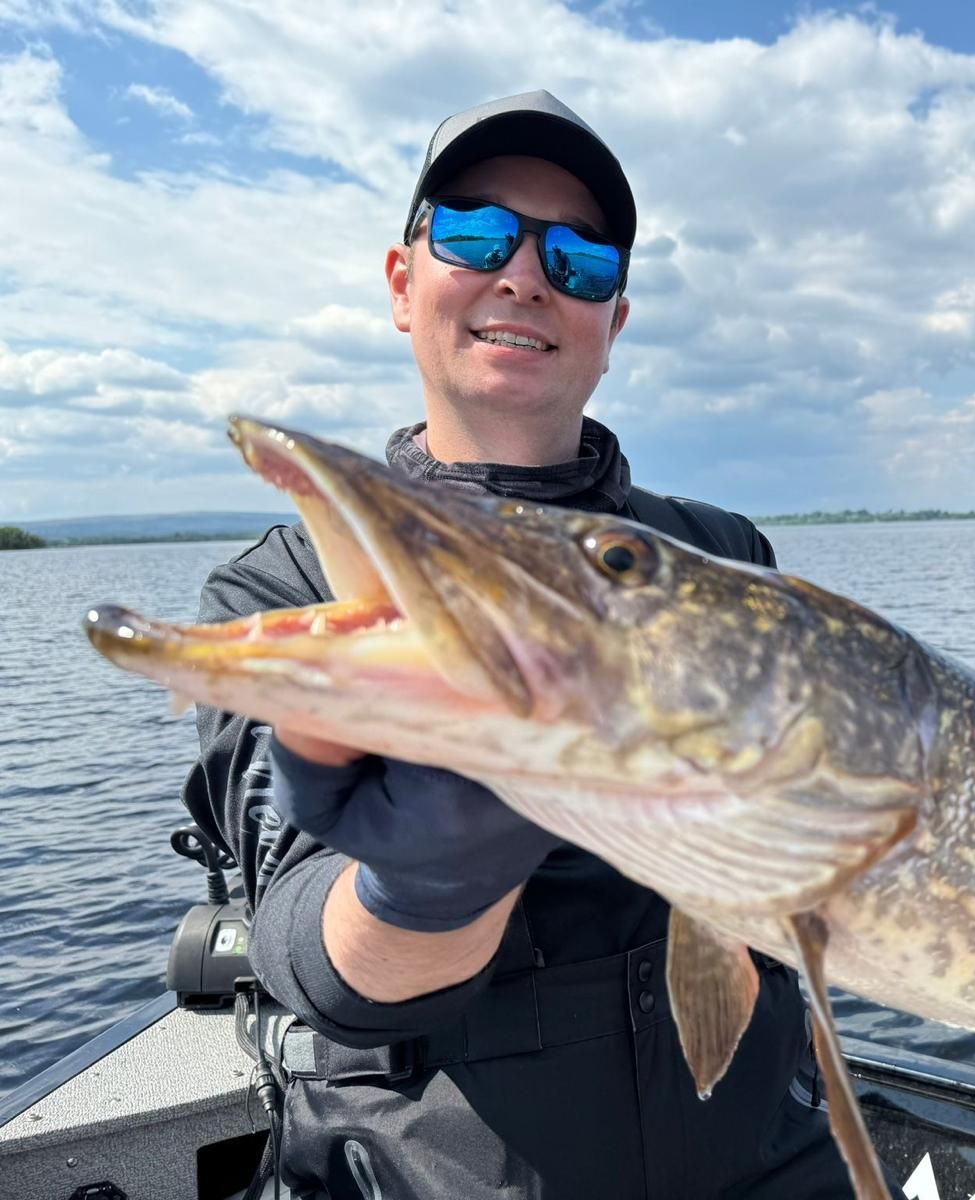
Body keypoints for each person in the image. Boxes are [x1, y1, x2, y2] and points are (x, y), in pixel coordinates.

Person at [181, 91, 856, 1199]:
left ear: (613, 319)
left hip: (763, 1164)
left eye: (580, 259)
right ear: (403, 283)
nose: (527, 275)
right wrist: (431, 882)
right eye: (477, 234)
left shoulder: (723, 554)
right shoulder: (287, 588)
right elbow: (310, 947)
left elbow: (796, 883)